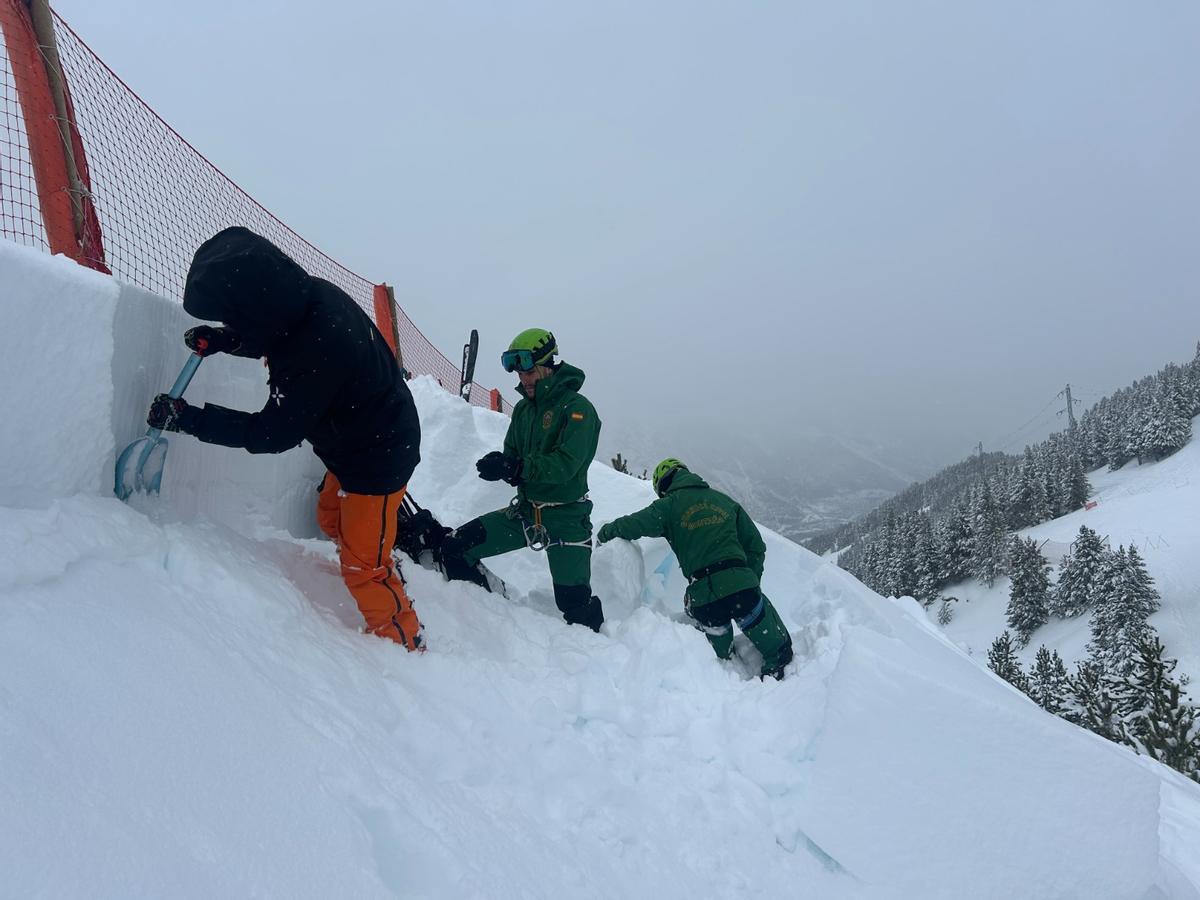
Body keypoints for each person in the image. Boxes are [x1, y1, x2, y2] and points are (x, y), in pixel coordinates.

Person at [145, 226, 424, 652]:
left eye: (232, 317)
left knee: (362, 567)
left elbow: (272, 433)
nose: (233, 323)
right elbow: (274, 334)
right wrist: (225, 340)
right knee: (331, 520)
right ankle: (375, 556)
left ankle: (403, 642)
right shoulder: (306, 299)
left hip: (379, 458)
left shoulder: (316, 345)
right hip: (353, 444)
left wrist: (190, 420)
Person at [439, 329, 604, 631]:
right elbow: (513, 454)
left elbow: (566, 465)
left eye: (528, 370)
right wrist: (502, 465)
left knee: (574, 606)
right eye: (517, 372)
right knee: (456, 547)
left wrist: (516, 467)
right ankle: (489, 615)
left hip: (566, 517)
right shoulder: (524, 411)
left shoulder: (579, 410)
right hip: (526, 513)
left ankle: (601, 655)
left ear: (548, 364)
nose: (523, 379)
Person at [596, 458, 793, 680]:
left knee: (720, 664)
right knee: (780, 652)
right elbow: (756, 547)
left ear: (662, 486)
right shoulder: (724, 502)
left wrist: (604, 534)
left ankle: (727, 677)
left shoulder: (668, 506)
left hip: (705, 598)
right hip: (741, 587)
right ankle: (774, 685)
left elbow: (632, 524)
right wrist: (749, 581)